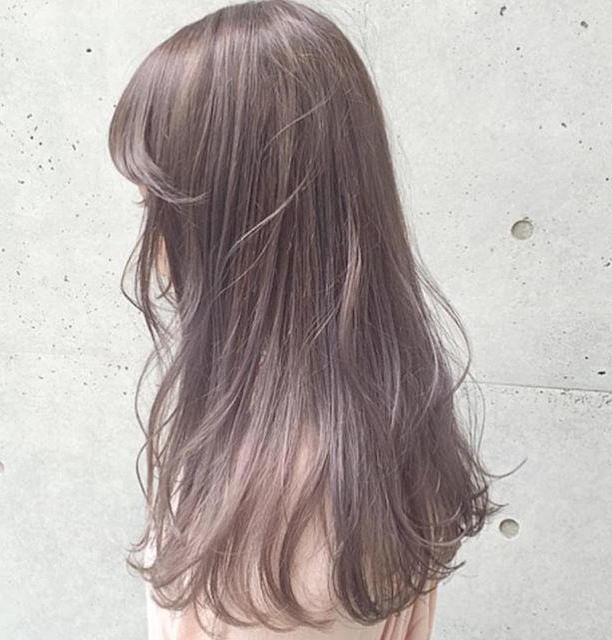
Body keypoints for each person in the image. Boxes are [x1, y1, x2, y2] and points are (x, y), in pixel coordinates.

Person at [107, 1, 507, 638]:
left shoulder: (283, 520)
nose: (151, 246)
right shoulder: (364, 428)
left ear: (232, 225)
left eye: (155, 206)